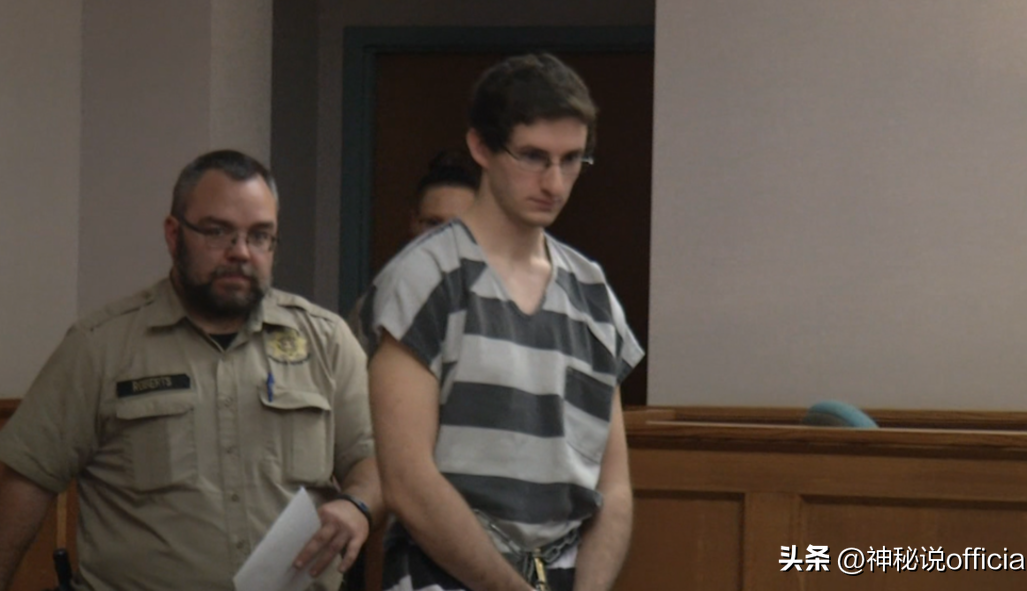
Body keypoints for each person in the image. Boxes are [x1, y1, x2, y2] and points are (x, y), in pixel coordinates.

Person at [0, 150, 381, 591]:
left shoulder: (326, 341)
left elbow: (373, 460)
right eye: (217, 232)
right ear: (173, 234)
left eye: (260, 236)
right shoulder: (100, 347)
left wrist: (358, 505)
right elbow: (25, 482)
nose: (240, 252)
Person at [362, 54, 644, 591]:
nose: (554, 182)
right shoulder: (425, 278)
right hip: (443, 576)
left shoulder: (592, 294)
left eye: (571, 160)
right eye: (533, 157)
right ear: (481, 147)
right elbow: (407, 482)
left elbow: (614, 488)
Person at [347, 149, 478, 342]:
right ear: (414, 222)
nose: (445, 237)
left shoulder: (497, 295)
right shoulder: (382, 294)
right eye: (433, 223)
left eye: (458, 226)